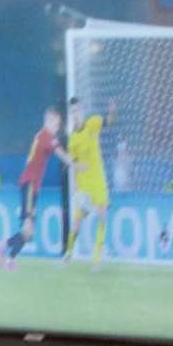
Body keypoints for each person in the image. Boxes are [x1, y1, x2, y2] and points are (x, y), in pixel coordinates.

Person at [0, 108, 63, 261]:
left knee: (29, 233)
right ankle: (10, 258)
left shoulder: (42, 136)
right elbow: (60, 153)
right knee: (28, 226)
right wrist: (74, 163)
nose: (58, 126)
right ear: (49, 120)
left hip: (32, 187)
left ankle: (5, 248)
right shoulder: (46, 136)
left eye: (58, 123)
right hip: (29, 184)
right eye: (56, 122)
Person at [64, 101, 111, 260]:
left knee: (102, 215)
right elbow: (72, 163)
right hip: (83, 184)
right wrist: (76, 178)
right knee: (77, 220)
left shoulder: (93, 123)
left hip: (98, 180)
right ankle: (69, 252)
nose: (75, 114)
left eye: (77, 110)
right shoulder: (72, 139)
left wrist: (112, 112)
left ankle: (97, 255)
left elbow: (109, 122)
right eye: (73, 111)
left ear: (83, 111)